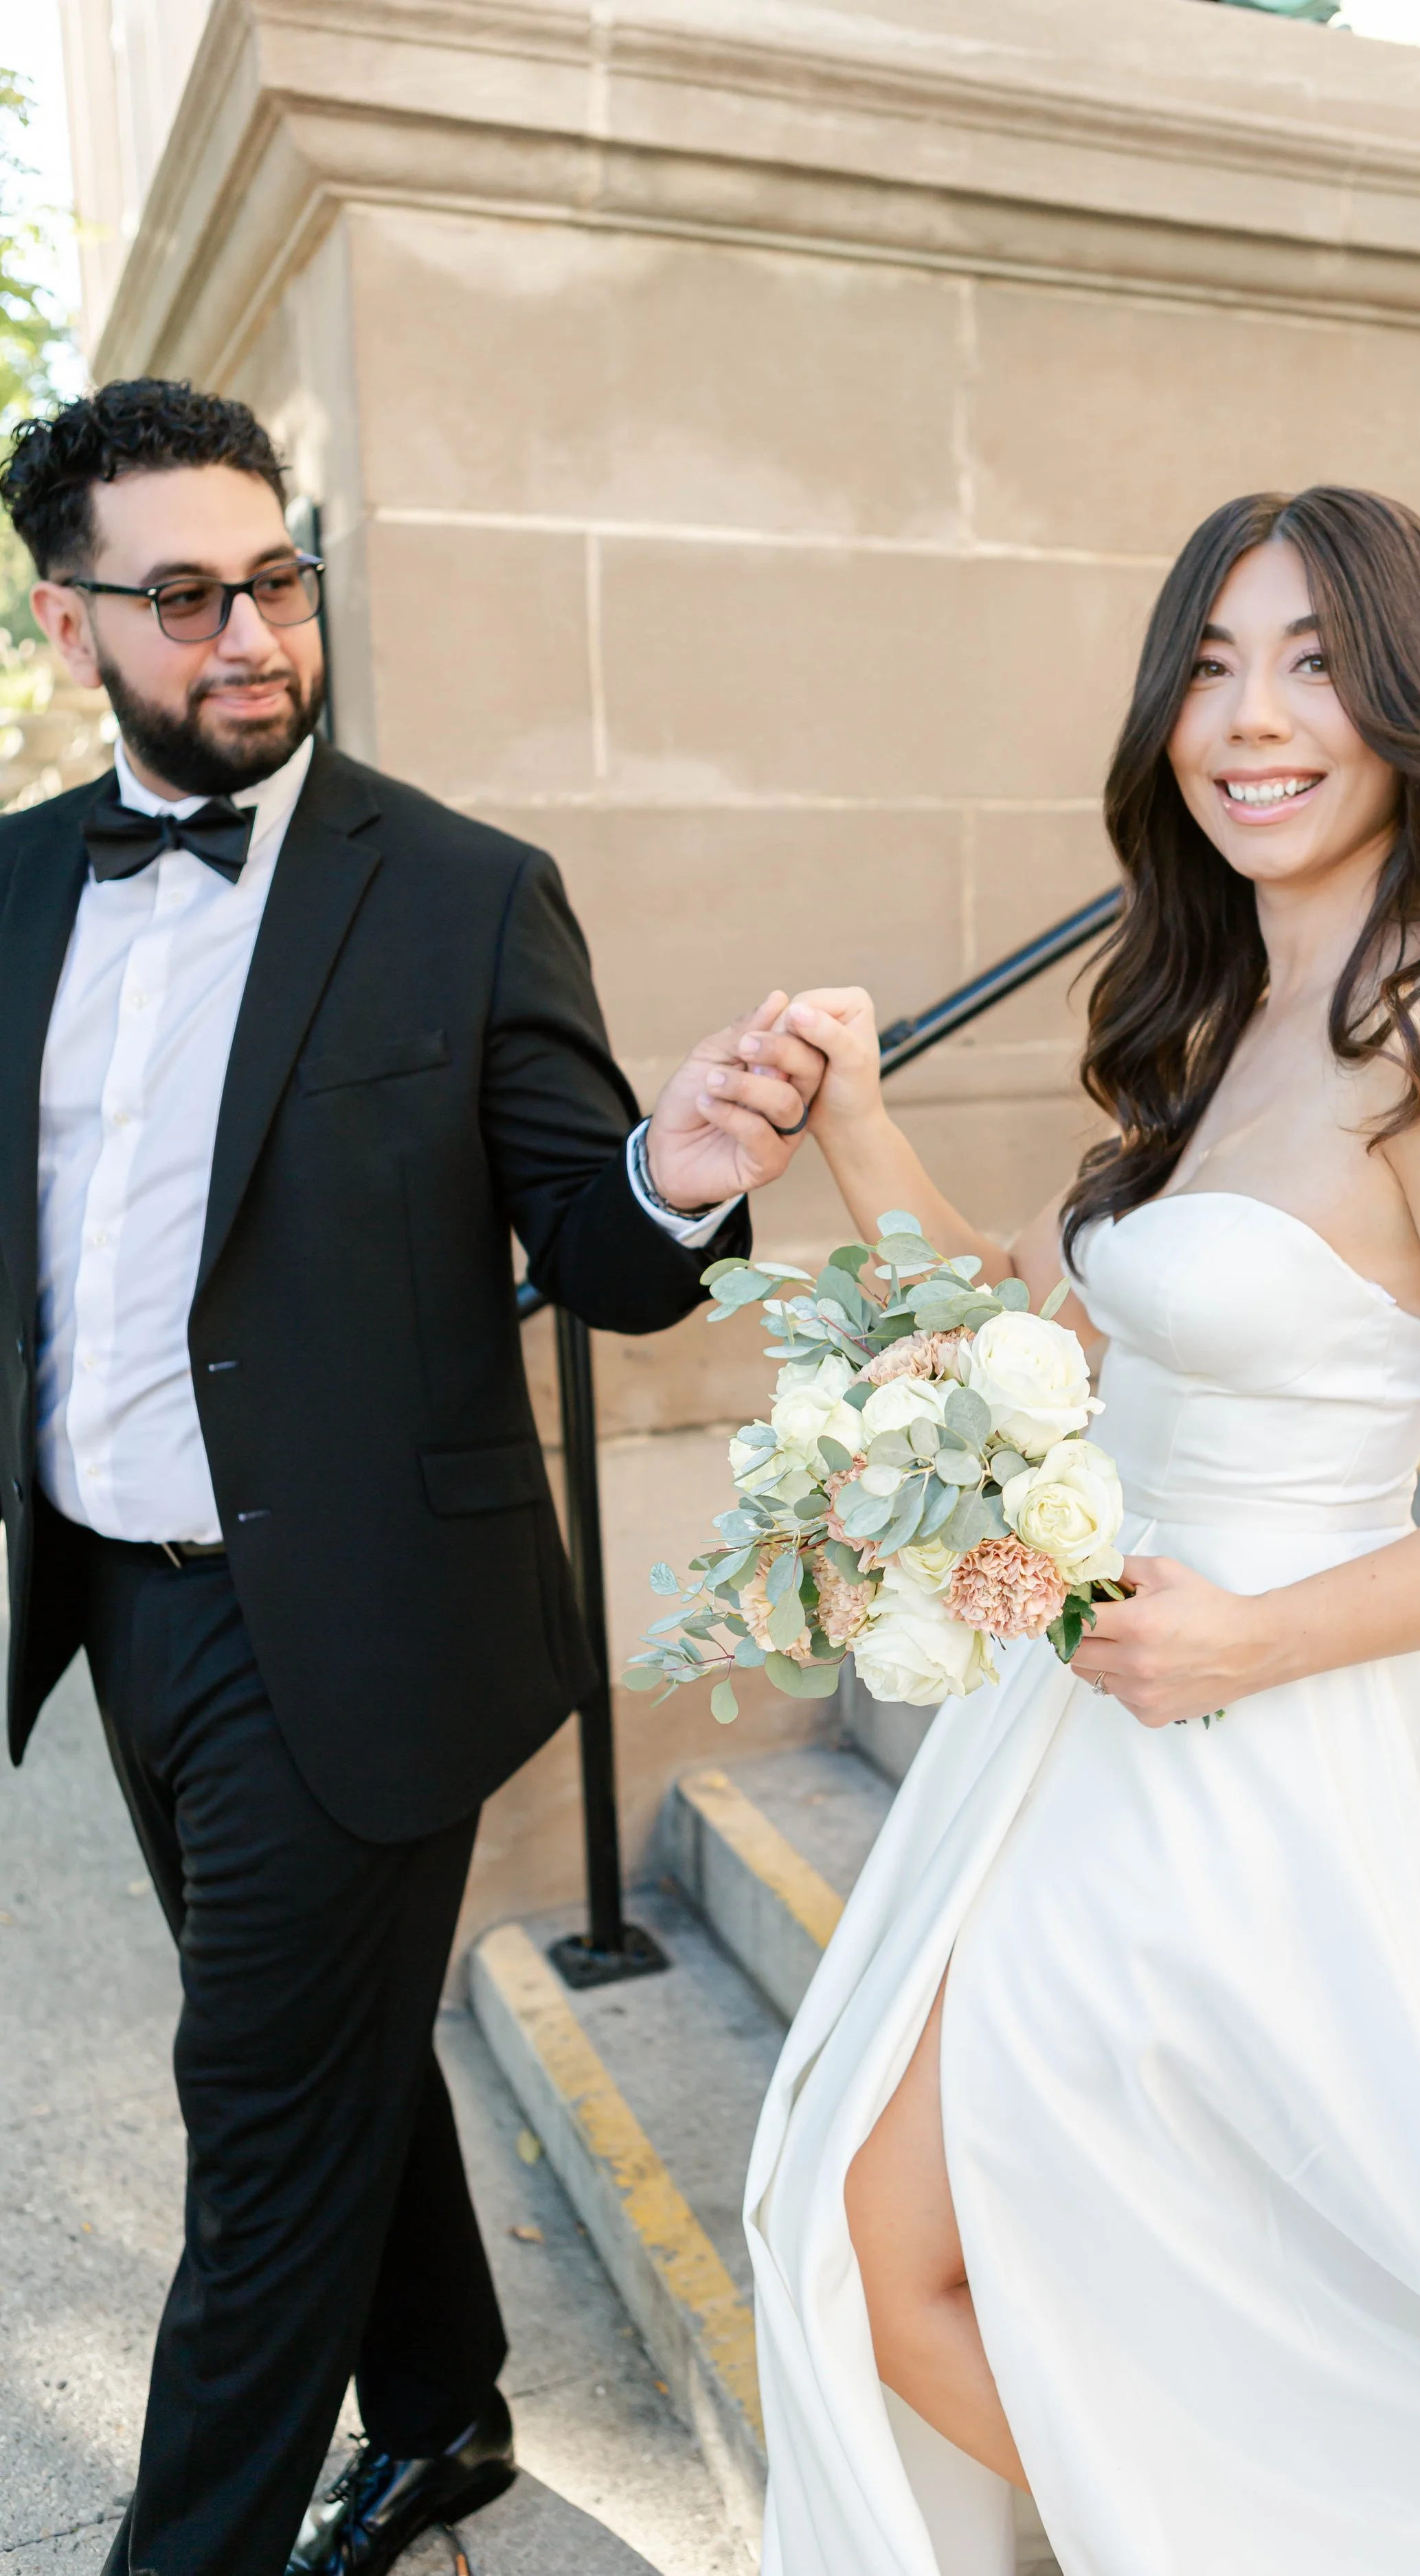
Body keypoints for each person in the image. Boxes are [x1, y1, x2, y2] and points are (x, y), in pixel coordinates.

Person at [741, 488, 1420, 2573]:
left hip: (1271, 1743)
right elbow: (1011, 1341)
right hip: (1078, 1736)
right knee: (922, 2247)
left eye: (1308, 661)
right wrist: (850, 1122)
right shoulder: (1211, 1024)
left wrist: (1254, 1643)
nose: (1249, 716)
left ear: (1409, 707)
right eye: (1208, 662)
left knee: (903, 2245)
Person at [0, 378, 822, 2576]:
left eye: (276, 577)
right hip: (121, 1602)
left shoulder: (460, 892)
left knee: (255, 2127)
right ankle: (447, 2413)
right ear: (72, 620)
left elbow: (597, 1245)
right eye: (184, 595)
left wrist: (681, 1164)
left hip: (356, 1618)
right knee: (323, 2045)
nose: (252, 632)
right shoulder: (11, 892)